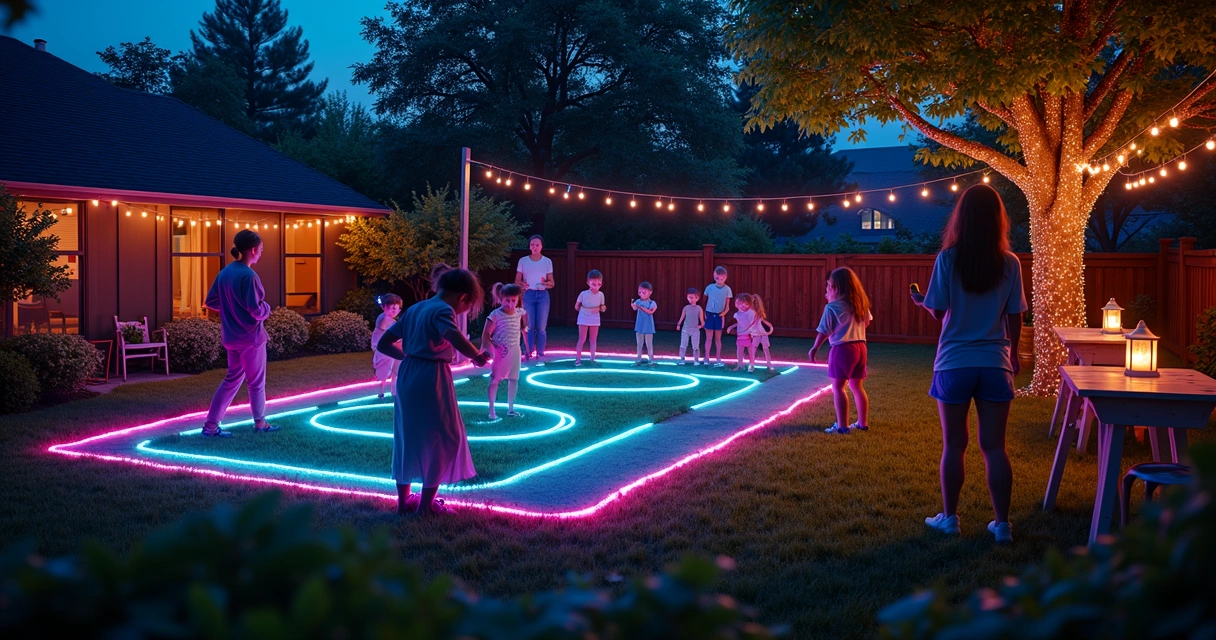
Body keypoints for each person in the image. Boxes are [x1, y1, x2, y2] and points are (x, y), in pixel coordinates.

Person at [912, 184, 1026, 544]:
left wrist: (922, 302)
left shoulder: (948, 259)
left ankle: (949, 518)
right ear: (998, 219)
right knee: (995, 447)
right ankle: (1002, 525)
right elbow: (1015, 316)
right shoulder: (1010, 263)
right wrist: (1014, 353)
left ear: (961, 216)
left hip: (954, 363)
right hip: (994, 363)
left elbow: (940, 311)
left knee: (954, 445)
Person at [377, 268, 492, 516]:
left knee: (408, 437)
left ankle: (403, 503)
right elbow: (451, 333)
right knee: (445, 437)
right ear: (463, 297)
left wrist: (409, 356)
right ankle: (426, 506)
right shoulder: (443, 310)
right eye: (469, 305)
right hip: (432, 375)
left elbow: (384, 343)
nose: (466, 311)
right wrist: (477, 356)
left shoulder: (416, 308)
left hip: (408, 374)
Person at [200, 230, 277, 437]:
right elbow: (256, 310)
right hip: (251, 339)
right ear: (253, 250)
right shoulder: (249, 276)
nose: (261, 253)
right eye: (260, 250)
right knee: (256, 383)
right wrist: (267, 308)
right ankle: (260, 423)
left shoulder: (225, 273)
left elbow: (211, 301)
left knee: (231, 381)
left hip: (231, 338)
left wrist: (230, 308)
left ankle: (210, 426)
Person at [809, 268, 873, 434]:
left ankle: (842, 426)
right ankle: (862, 423)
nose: (827, 288)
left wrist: (815, 348)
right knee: (857, 386)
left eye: (828, 285)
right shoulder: (860, 303)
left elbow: (825, 330)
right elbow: (866, 323)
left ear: (835, 287)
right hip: (861, 347)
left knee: (838, 387)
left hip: (842, 348)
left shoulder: (832, 307)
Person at [481, 282, 527, 419]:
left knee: (514, 379)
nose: (511, 304)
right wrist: (494, 347)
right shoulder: (495, 314)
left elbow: (524, 316)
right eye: (507, 300)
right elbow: (486, 335)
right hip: (501, 353)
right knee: (496, 379)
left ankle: (511, 408)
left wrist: (525, 328)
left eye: (514, 300)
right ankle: (491, 411)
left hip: (515, 350)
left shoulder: (519, 312)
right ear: (501, 299)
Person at [515, 236, 554, 362]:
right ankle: (528, 351)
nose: (534, 247)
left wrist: (546, 283)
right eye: (532, 244)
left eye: (537, 245)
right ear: (529, 246)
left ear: (541, 246)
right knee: (529, 325)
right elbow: (517, 281)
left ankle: (541, 352)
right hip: (528, 294)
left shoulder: (547, 261)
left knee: (541, 326)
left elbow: (552, 283)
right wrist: (522, 285)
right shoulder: (523, 261)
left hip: (542, 295)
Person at [372, 293, 403, 400]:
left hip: (395, 348)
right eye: (390, 308)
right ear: (384, 307)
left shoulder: (391, 321)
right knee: (384, 371)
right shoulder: (384, 319)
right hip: (385, 350)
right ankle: (381, 393)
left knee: (396, 371)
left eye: (396, 308)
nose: (393, 311)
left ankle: (394, 393)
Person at [702, 266, 733, 367]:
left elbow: (728, 305)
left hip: (719, 316)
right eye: (717, 278)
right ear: (714, 276)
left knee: (718, 339)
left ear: (726, 277)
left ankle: (718, 358)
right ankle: (706, 358)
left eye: (721, 278)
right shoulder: (709, 287)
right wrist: (704, 314)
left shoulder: (728, 289)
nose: (719, 280)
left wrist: (723, 314)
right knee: (708, 338)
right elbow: (704, 301)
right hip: (709, 314)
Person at [574, 270, 606, 366]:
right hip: (583, 318)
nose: (596, 286)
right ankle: (578, 360)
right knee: (582, 339)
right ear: (588, 282)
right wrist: (585, 310)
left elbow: (602, 306)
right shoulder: (583, 294)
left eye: (598, 283)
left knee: (593, 339)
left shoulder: (601, 295)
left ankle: (592, 358)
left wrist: (602, 308)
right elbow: (576, 306)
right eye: (593, 283)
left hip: (595, 318)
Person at [725, 293, 757, 372]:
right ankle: (740, 365)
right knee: (739, 351)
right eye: (738, 303)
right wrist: (731, 327)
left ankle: (751, 365)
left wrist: (751, 332)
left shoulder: (751, 313)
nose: (740, 305)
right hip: (740, 335)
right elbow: (740, 322)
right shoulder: (737, 314)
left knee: (751, 351)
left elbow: (752, 323)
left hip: (748, 335)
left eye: (743, 304)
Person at [631, 282, 658, 366]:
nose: (641, 294)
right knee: (639, 344)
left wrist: (639, 307)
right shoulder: (638, 301)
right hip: (640, 325)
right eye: (640, 292)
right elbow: (634, 308)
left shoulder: (652, 303)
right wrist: (633, 305)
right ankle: (638, 359)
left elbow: (650, 312)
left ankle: (651, 359)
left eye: (644, 292)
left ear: (650, 292)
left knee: (649, 344)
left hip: (648, 326)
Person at [676, 288, 705, 365]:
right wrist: (678, 324)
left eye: (692, 297)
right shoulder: (686, 307)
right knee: (683, 344)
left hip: (695, 330)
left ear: (697, 298)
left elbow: (702, 321)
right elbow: (682, 317)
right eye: (689, 297)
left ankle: (696, 360)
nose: (690, 299)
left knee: (695, 345)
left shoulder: (699, 308)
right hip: (685, 329)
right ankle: (682, 359)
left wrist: (700, 326)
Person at [748, 294, 773, 371]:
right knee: (754, 347)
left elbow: (762, 321)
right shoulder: (750, 312)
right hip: (756, 333)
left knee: (765, 348)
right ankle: (752, 364)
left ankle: (768, 364)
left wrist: (770, 327)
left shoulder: (759, 313)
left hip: (761, 332)